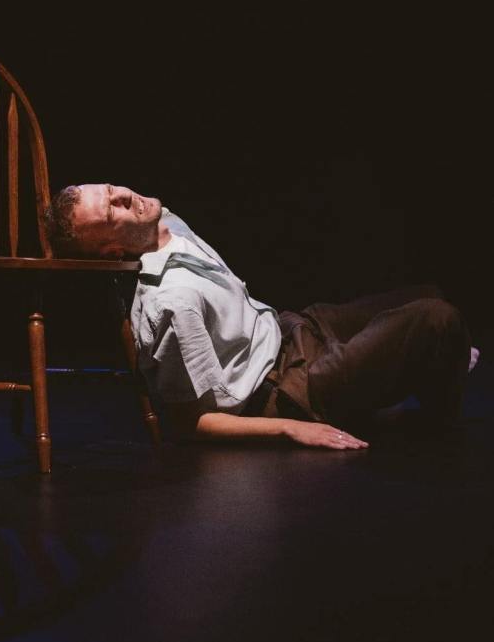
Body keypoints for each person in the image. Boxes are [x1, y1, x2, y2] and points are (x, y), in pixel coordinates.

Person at [44, 183, 477, 451]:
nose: (124, 197)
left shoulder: (165, 223)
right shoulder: (171, 302)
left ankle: (435, 366)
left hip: (289, 330)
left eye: (111, 190)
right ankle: (435, 409)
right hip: (289, 387)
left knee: (429, 294)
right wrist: (288, 429)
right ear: (113, 250)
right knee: (437, 320)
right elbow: (188, 422)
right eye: (111, 212)